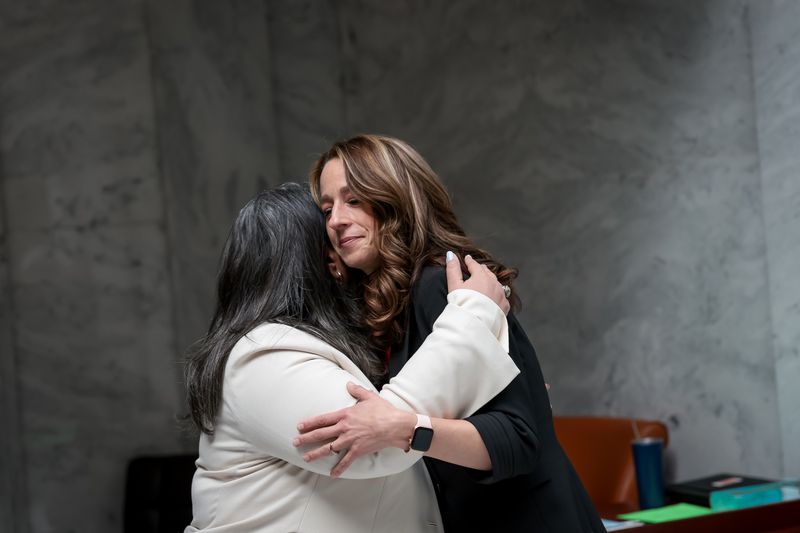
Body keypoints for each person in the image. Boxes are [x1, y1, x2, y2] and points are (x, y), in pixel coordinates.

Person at [303, 135, 606, 532]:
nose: (336, 220)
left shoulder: (439, 285)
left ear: (395, 198)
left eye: (354, 200)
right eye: (327, 209)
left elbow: (517, 438)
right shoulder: (386, 306)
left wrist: (403, 428)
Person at [183, 183, 521, 532]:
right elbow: (376, 447)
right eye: (332, 241)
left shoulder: (283, 346)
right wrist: (473, 317)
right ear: (325, 263)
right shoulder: (263, 357)